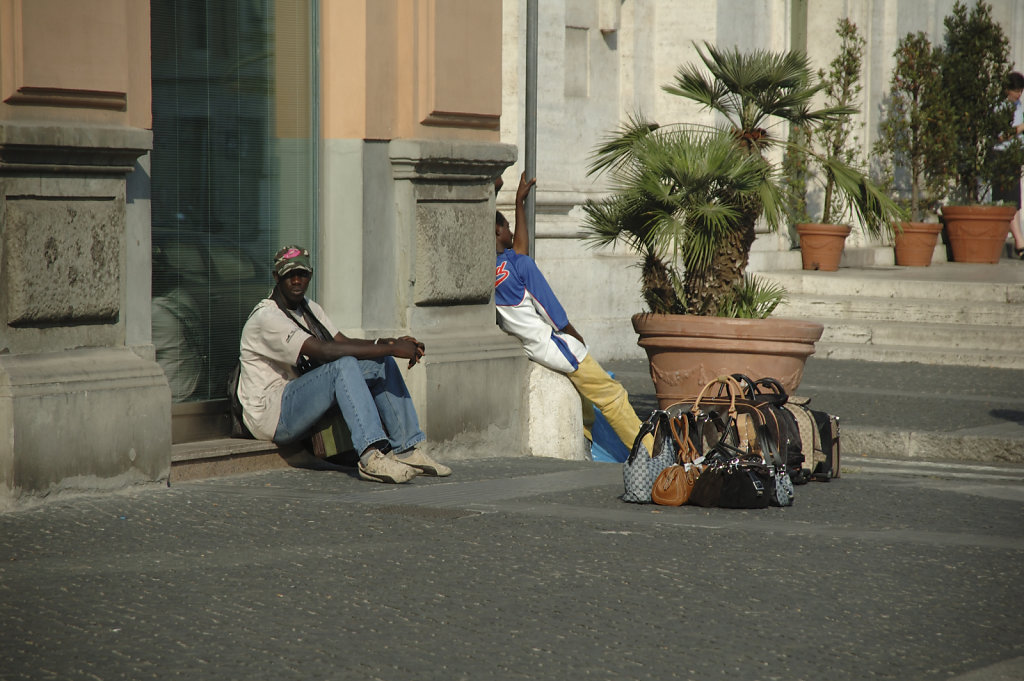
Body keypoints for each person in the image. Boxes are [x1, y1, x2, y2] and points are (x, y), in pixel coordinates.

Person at [237, 245, 450, 483]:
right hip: (272, 414)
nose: (296, 280)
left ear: (311, 274)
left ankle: (406, 449)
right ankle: (370, 455)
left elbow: (342, 341)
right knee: (343, 365)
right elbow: (327, 351)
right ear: (277, 277)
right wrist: (392, 346)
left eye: (302, 274)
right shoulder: (267, 318)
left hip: (298, 399)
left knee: (379, 362)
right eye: (289, 275)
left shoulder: (307, 307)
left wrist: (389, 344)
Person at [494, 173, 654, 457]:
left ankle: (586, 442)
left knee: (586, 400)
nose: (511, 230)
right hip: (554, 346)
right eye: (506, 226)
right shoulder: (522, 266)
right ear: (497, 233)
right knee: (613, 396)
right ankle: (651, 452)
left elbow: (518, 249)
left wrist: (519, 202)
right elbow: (553, 311)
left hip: (531, 347)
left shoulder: (493, 269)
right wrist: (574, 335)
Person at [995, 71, 1024, 258]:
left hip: (1015, 153)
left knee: (1015, 200)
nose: (1019, 94)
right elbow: (1001, 134)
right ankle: (1019, 243)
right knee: (1010, 199)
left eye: (1021, 91)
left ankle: (1019, 241)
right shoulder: (1000, 106)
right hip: (1002, 154)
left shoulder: (1019, 105)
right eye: (1016, 91)